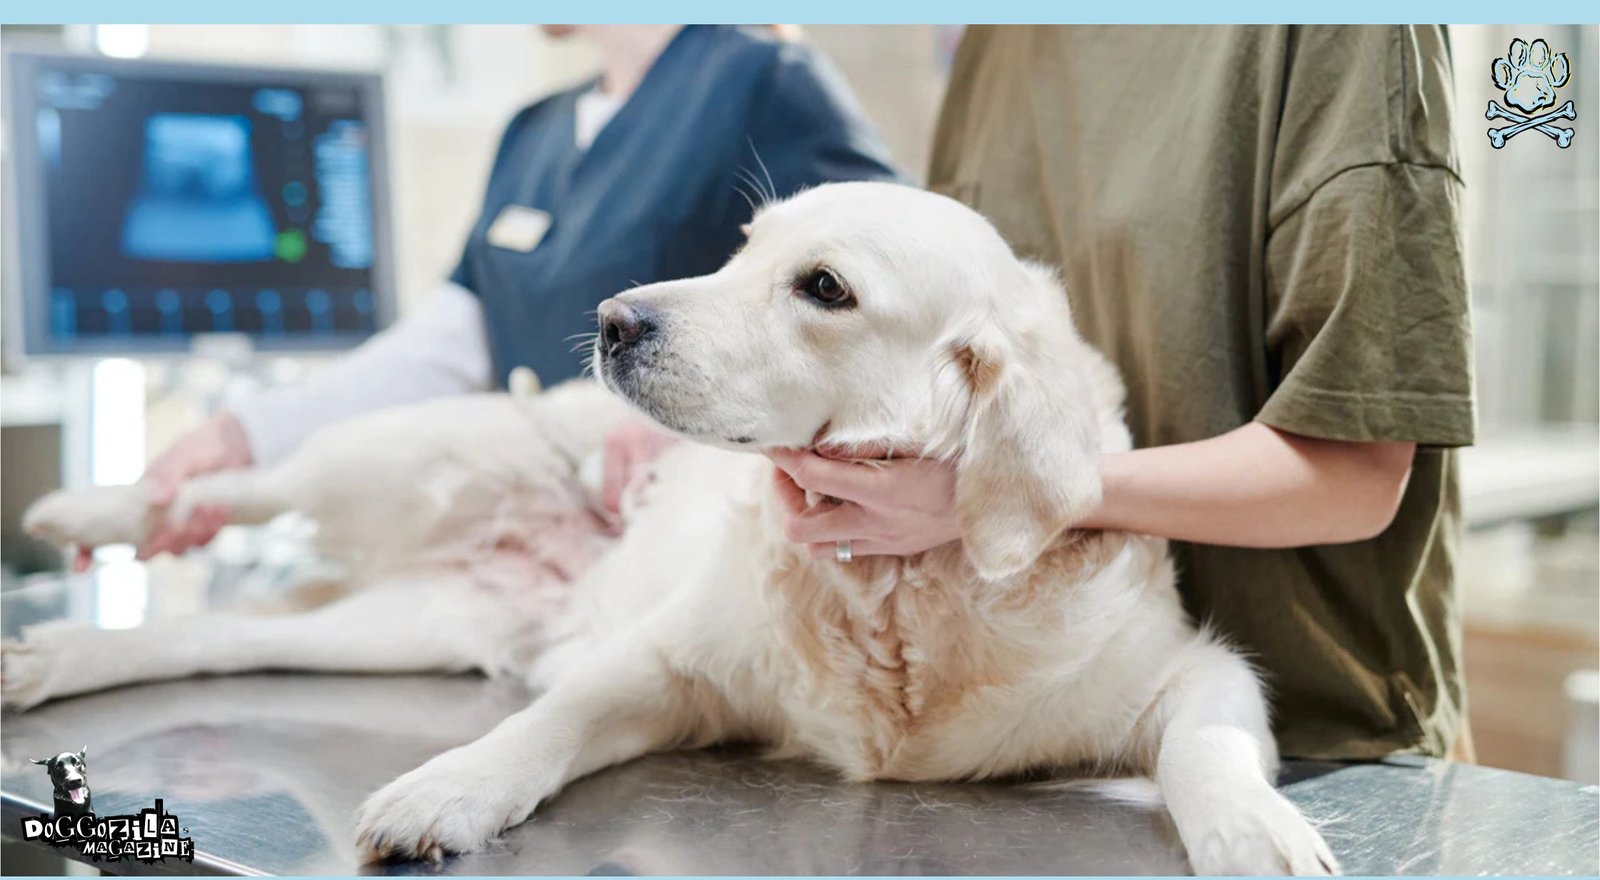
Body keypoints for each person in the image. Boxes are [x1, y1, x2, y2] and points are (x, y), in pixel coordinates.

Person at [766, 26, 1474, 762]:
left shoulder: (1347, 36)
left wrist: (1015, 488)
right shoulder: (998, 41)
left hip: (1314, 746)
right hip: (1018, 731)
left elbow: (1353, 476)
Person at [130, 24, 900, 562]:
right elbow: (448, 345)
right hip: (524, 539)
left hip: (679, 555)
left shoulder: (766, 82)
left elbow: (889, 317)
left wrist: (681, 426)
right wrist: (244, 433)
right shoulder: (534, 129)